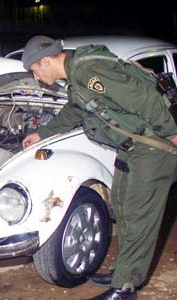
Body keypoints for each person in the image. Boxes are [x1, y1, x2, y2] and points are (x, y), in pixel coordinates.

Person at [21, 35, 177, 300]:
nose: (36, 78)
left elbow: (143, 99)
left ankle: (125, 288)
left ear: (45, 60)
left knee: (139, 215)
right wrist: (42, 133)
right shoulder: (75, 75)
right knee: (123, 206)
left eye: (35, 70)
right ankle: (126, 269)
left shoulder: (88, 70)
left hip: (152, 146)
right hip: (131, 147)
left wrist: (172, 133)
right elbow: (76, 110)